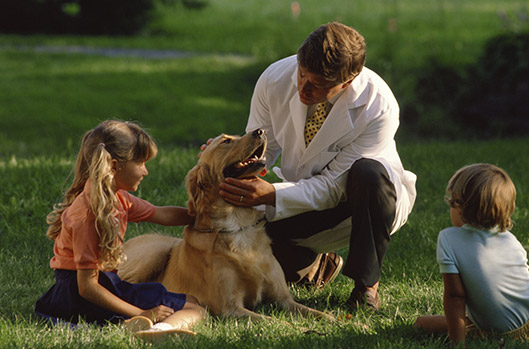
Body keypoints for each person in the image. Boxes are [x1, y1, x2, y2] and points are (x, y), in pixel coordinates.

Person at [217, 22, 417, 311]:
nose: (303, 88)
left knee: (368, 174)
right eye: (301, 75)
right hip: (299, 195)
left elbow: (334, 187)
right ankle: (311, 266)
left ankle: (366, 287)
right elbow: (264, 146)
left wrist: (272, 195)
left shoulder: (378, 106)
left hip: (362, 204)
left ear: (347, 82)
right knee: (249, 259)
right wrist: (229, 159)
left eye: (318, 85)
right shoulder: (274, 78)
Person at [35, 120, 204, 340]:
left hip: (99, 286)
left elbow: (161, 214)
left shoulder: (118, 199)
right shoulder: (88, 215)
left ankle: (130, 325)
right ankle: (155, 330)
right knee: (194, 309)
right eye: (141, 162)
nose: (145, 171)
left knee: (189, 300)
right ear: (114, 166)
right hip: (79, 298)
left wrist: (204, 216)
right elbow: (87, 287)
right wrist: (143, 313)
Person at [414, 163, 529, 345]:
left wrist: (457, 344)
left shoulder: (448, 239)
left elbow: (455, 297)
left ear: (462, 207)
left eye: (452, 202)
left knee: (421, 323)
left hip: (498, 331)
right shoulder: (509, 238)